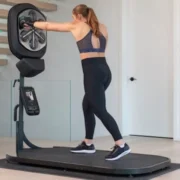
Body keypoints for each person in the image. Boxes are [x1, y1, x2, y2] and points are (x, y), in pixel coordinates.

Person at [23, 4, 131, 161]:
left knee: (100, 110)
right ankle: (88, 144)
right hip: (105, 70)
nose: (73, 20)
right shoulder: (102, 27)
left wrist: (32, 24)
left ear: (78, 16)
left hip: (92, 72)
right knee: (87, 105)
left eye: (73, 17)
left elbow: (49, 26)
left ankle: (121, 144)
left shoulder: (78, 25)